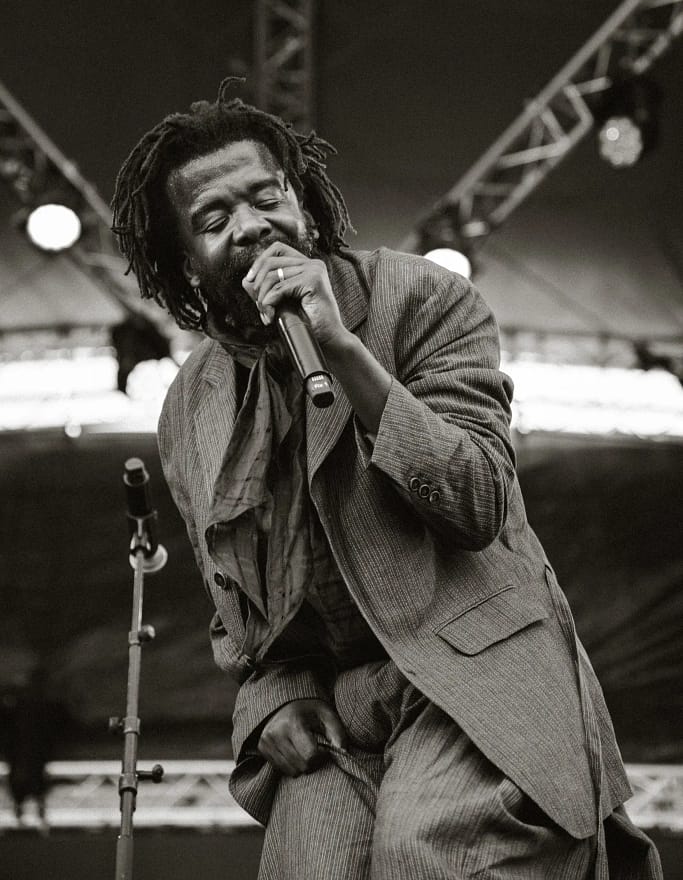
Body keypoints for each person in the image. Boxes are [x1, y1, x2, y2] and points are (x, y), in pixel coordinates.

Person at [112, 79, 662, 879]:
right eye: (214, 218)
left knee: (428, 854)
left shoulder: (425, 298)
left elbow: (475, 499)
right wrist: (270, 697)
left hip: (471, 668)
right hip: (341, 701)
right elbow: (234, 606)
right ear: (184, 264)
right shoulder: (189, 406)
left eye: (266, 197)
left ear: (303, 205)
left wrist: (343, 351)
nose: (251, 225)